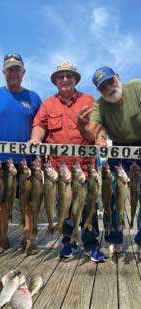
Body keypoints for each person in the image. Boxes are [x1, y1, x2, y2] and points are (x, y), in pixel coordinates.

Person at [30, 60, 106, 262]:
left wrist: (99, 139)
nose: (65, 79)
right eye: (61, 76)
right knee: (64, 206)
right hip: (59, 169)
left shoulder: (88, 99)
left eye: (69, 76)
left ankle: (91, 244)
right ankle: (67, 243)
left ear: (75, 80)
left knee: (88, 205)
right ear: (55, 81)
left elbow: (98, 127)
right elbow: (39, 124)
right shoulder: (48, 104)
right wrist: (36, 137)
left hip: (85, 168)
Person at [78, 66, 141, 257]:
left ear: (118, 78)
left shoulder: (136, 86)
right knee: (111, 195)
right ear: (98, 91)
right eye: (102, 87)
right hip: (119, 150)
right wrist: (81, 126)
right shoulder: (100, 106)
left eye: (110, 82)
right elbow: (92, 132)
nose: (108, 88)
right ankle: (114, 238)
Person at [0, 53, 42, 254]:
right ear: (3, 72)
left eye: (17, 69)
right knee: (2, 204)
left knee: (27, 202)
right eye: (10, 69)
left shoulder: (34, 97)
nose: (13, 73)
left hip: (26, 163)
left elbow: (40, 127)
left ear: (23, 72)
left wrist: (40, 158)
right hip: (0, 162)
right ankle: (2, 239)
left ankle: (27, 239)